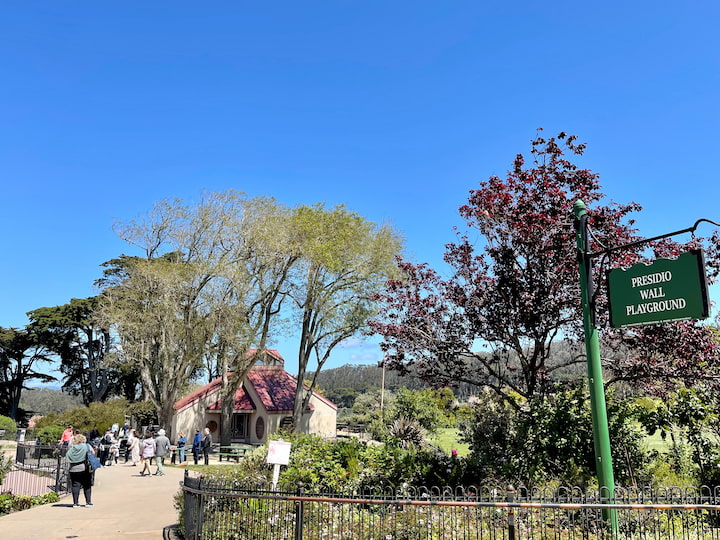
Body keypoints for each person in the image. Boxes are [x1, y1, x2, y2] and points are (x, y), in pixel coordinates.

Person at [65, 434, 95, 508]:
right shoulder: (87, 446)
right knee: (87, 485)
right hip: (85, 468)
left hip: (73, 468)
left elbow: (67, 457)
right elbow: (93, 453)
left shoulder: (72, 447)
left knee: (75, 485)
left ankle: (75, 503)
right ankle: (88, 502)